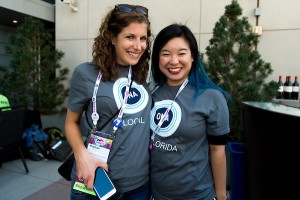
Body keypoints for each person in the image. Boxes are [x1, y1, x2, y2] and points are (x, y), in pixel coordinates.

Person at [65, 4, 152, 200]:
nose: (138, 46)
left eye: (143, 38)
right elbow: (70, 122)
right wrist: (81, 155)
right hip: (92, 179)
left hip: (138, 186)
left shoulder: (141, 76)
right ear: (112, 38)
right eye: (130, 37)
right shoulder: (86, 74)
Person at [149, 24, 230, 200]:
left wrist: (222, 196)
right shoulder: (149, 94)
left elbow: (218, 151)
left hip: (198, 195)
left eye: (181, 53)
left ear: (192, 56)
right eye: (166, 54)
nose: (174, 61)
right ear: (157, 58)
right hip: (155, 194)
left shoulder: (212, 98)